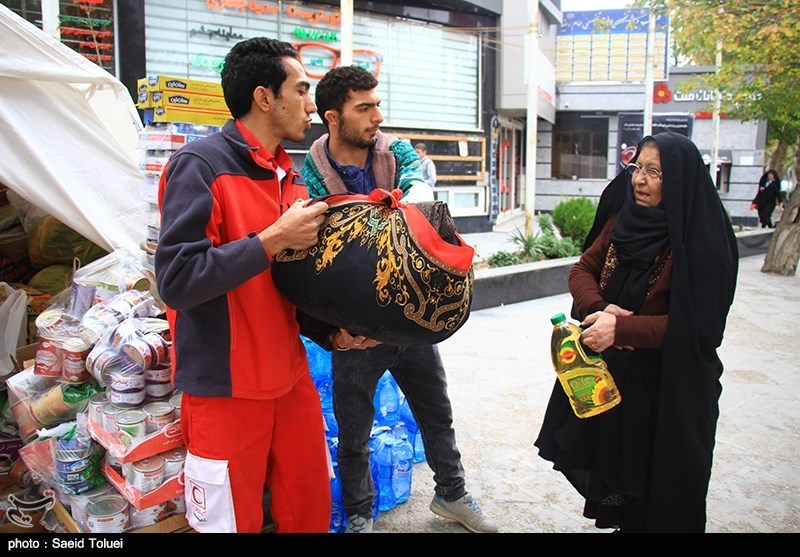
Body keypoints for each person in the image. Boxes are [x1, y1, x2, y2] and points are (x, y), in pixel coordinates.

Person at [301, 65, 498, 534]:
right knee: (353, 431)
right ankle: (359, 513)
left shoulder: (395, 151)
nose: (377, 116)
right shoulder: (310, 173)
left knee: (437, 412)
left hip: (412, 315)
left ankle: (452, 495)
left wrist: (411, 199)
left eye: (377, 104)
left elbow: (417, 183)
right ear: (333, 116)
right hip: (357, 327)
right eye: (364, 107)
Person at [154, 37, 336, 533]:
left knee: (310, 510)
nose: (311, 105)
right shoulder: (201, 166)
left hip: (291, 379)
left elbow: (287, 285)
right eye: (300, 90)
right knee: (229, 524)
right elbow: (176, 280)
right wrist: (270, 240)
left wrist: (331, 332)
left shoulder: (290, 175)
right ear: (263, 97)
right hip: (225, 387)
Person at [535, 132, 739, 533]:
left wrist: (623, 328)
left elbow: (699, 326)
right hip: (620, 383)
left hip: (674, 389)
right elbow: (582, 270)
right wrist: (600, 309)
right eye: (637, 168)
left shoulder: (703, 242)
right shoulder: (622, 220)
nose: (639, 181)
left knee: (665, 496)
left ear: (679, 180)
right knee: (620, 482)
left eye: (654, 172)